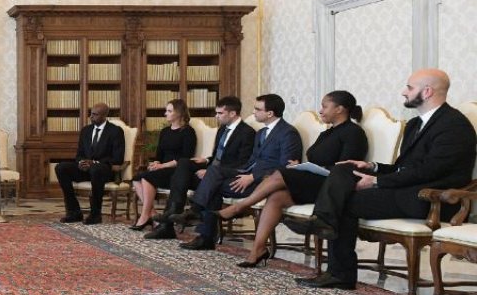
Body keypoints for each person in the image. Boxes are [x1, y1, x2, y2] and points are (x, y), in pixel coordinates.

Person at [295, 69, 477, 290]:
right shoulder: (415, 124)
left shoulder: (454, 125)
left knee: (345, 203)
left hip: (429, 199)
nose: (404, 92)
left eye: (409, 87)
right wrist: (373, 167)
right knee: (345, 168)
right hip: (405, 190)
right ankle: (323, 220)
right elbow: (403, 167)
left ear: (427, 91)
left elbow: (429, 171)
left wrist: (377, 181)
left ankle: (338, 270)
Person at [217, 91, 368, 267]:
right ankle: (258, 250)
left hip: (332, 186)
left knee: (281, 173)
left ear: (339, 109)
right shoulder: (327, 133)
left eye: (325, 107)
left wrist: (315, 168)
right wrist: (301, 165)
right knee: (276, 197)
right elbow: (316, 158)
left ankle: (240, 206)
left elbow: (346, 167)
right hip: (315, 179)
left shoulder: (353, 132)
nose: (320, 110)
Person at [178, 94, 302, 250]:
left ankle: (203, 231)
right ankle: (200, 222)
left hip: (265, 183)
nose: (253, 112)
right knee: (214, 174)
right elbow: (251, 161)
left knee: (214, 185)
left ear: (270, 113)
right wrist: (241, 173)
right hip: (248, 174)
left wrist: (252, 177)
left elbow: (286, 167)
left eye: (257, 109)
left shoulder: (288, 133)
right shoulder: (261, 133)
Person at [145, 96, 255, 240]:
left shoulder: (247, 133)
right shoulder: (223, 129)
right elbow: (217, 156)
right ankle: (174, 211)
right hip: (213, 169)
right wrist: (207, 160)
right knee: (184, 163)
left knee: (189, 175)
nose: (216, 116)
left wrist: (210, 171)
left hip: (225, 175)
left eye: (220, 113)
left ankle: (171, 221)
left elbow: (242, 163)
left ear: (232, 113)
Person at [130, 99, 197, 230]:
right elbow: (159, 155)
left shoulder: (188, 132)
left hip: (177, 171)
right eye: (166, 110)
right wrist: (156, 162)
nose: (165, 113)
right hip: (162, 168)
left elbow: (186, 157)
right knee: (136, 179)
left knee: (146, 178)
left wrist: (163, 166)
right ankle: (153, 215)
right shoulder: (165, 131)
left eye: (169, 111)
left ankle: (144, 216)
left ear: (179, 113)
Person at [55, 103, 126, 225]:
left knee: (96, 169)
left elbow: (117, 158)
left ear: (104, 116)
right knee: (61, 168)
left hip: (104, 171)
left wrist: (93, 163)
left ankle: (95, 214)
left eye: (95, 114)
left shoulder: (115, 131)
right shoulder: (86, 131)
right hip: (85, 170)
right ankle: (74, 212)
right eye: (91, 114)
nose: (91, 117)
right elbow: (79, 154)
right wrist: (81, 162)